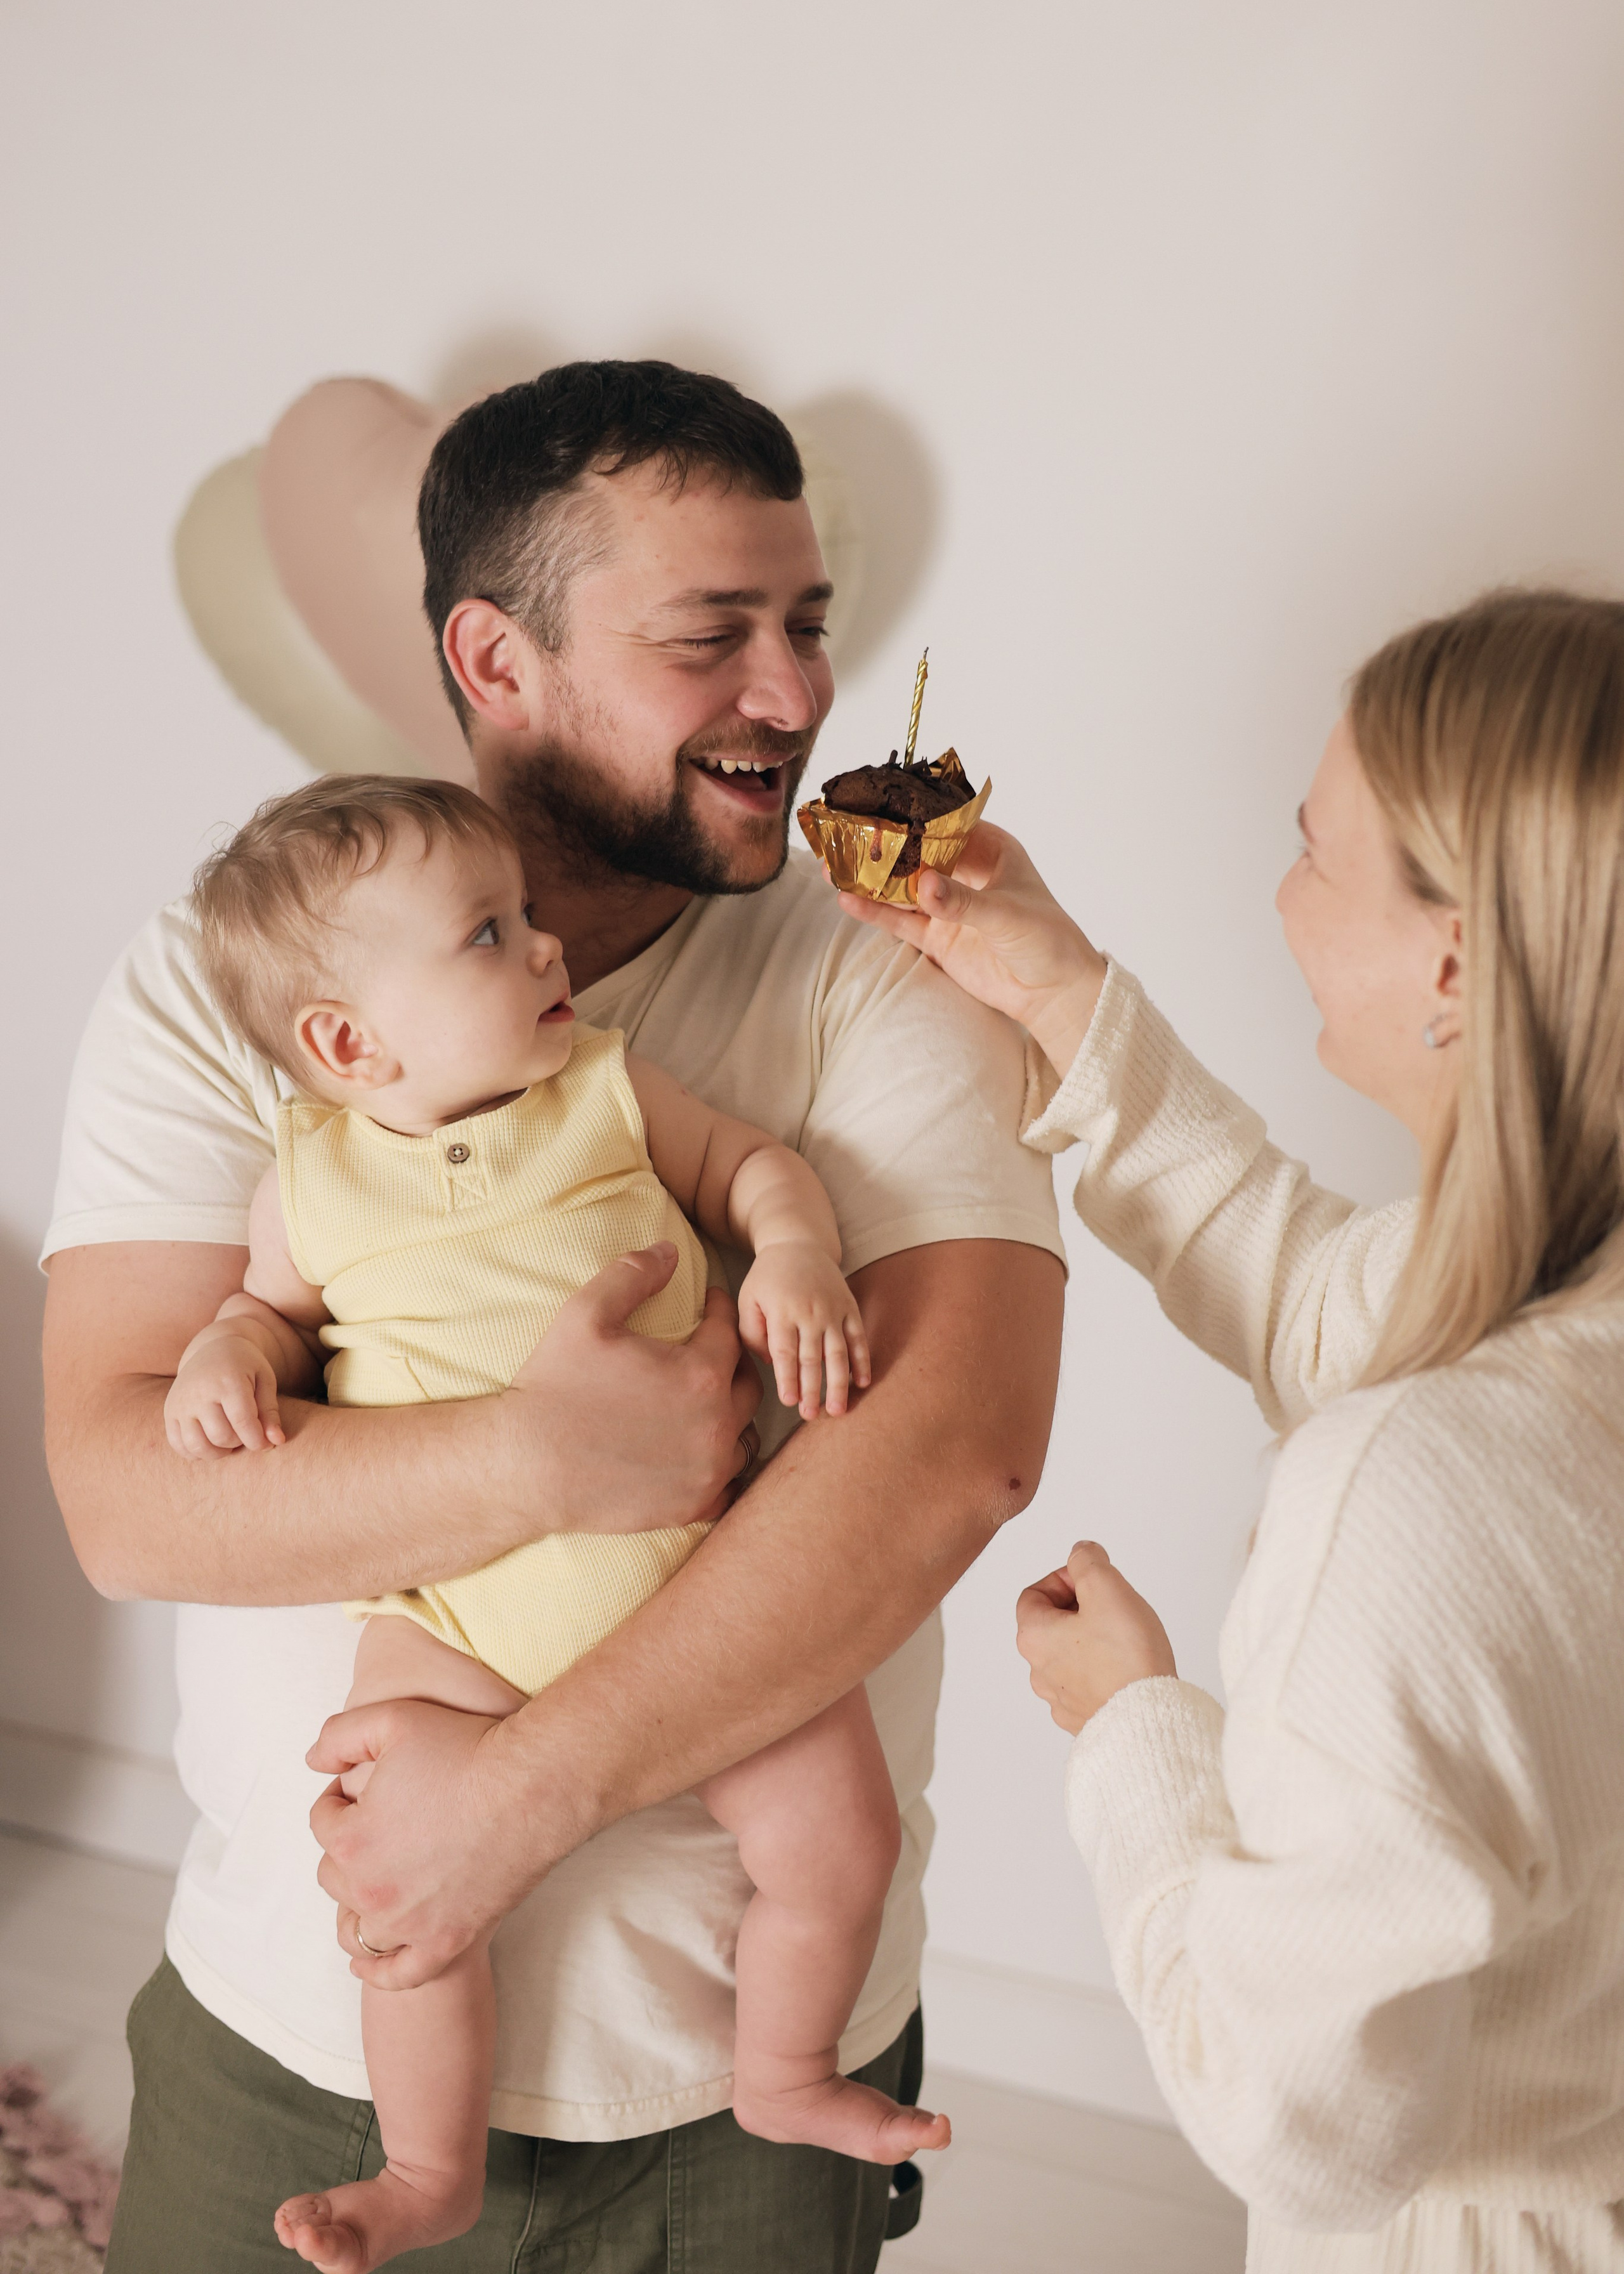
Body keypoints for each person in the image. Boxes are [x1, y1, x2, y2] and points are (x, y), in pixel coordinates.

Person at [43, 360, 1064, 2272]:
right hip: (304, 2021)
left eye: (811, 623)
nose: (797, 695)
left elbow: (955, 1452)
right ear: (495, 662)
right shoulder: (236, 981)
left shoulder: (878, 978)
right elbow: (131, 1499)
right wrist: (537, 1455)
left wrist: (504, 1804)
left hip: (725, 2090)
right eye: (714, 635)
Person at [842, 586, 1624, 2271]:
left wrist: (1136, 1731)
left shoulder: (1414, 1491)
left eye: (1309, 847)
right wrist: (1062, 994)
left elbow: (1294, 2117)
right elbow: (1310, 1293)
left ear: (1457, 961)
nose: (1280, 890)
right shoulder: (1557, 1319)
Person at [163, 771, 946, 2270]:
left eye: (524, 919)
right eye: (486, 934)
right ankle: (425, 2170)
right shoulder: (312, 1182)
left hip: (697, 1582)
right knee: (402, 1901)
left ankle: (782, 2076)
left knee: (840, 1835)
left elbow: (751, 1168)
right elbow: (267, 1314)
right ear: (346, 1042)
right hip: (451, 1620)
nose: (543, 952)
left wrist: (791, 1255)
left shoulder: (601, 1082)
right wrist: (226, 1358)